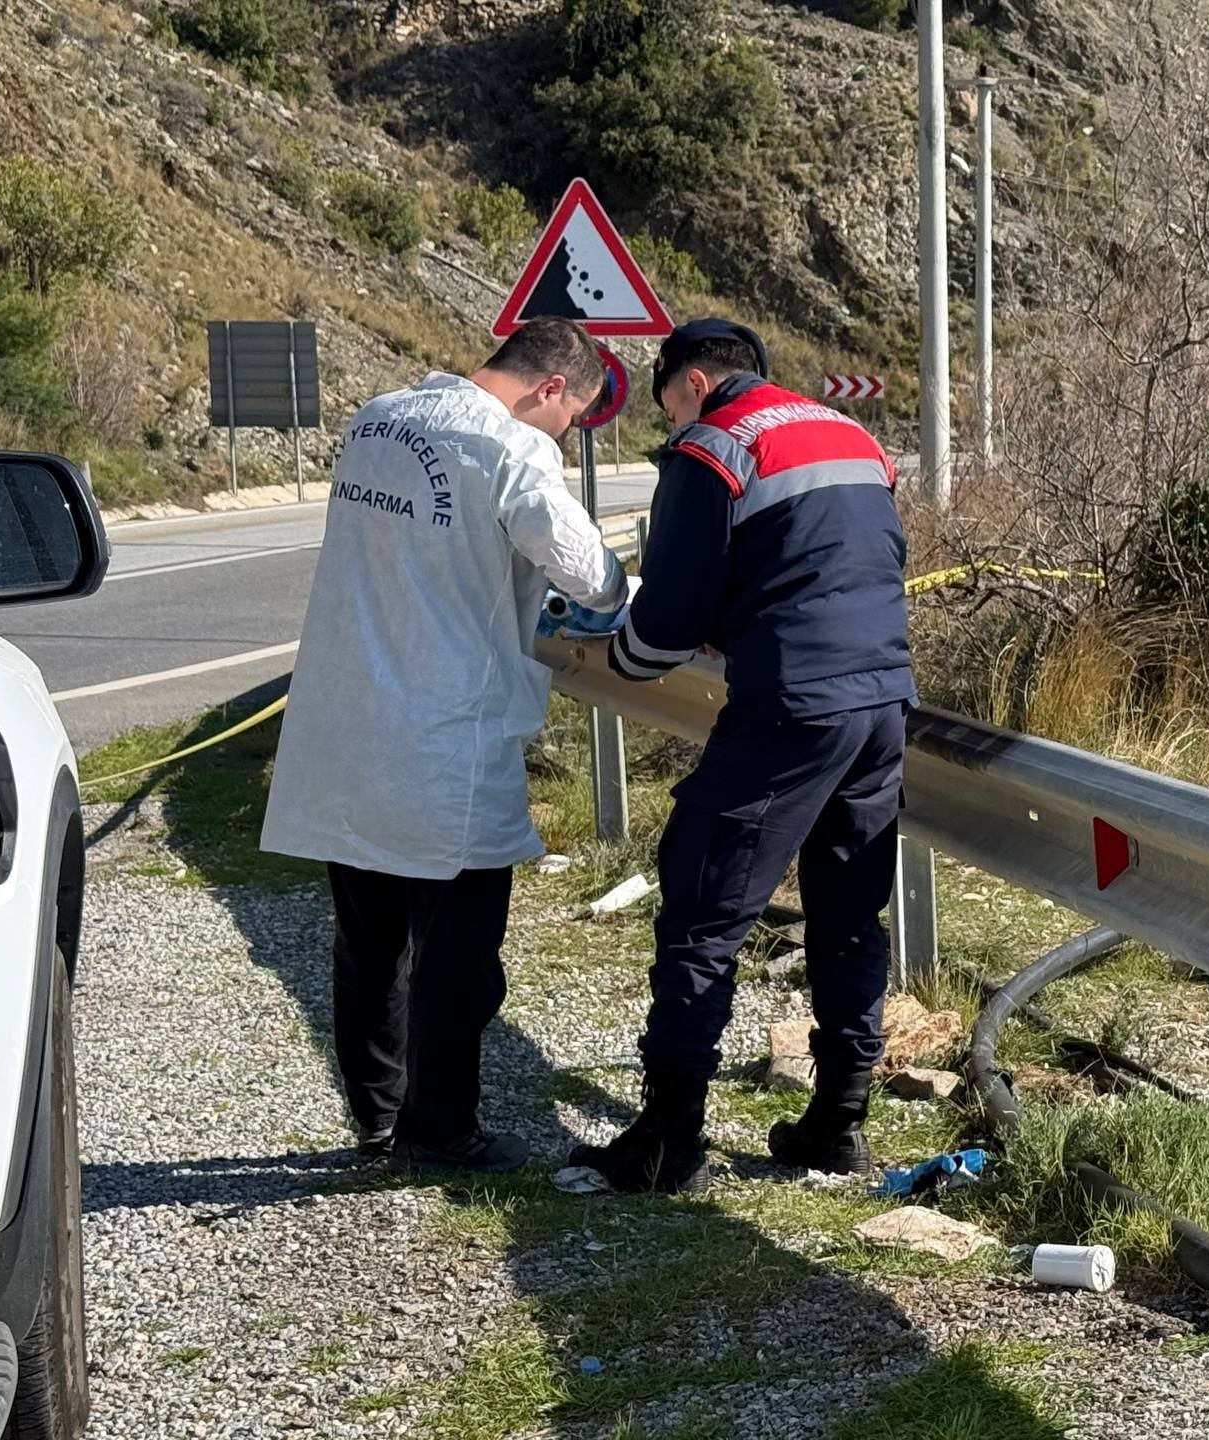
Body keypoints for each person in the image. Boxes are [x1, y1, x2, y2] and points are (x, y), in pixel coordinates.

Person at [261, 318, 627, 1173]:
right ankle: (442, 1128)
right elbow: (583, 568)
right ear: (548, 389)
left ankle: (378, 1119)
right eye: (570, 416)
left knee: (369, 944)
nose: (564, 435)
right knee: (458, 955)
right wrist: (613, 598)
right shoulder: (510, 450)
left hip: (345, 728)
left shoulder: (379, 417)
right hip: (443, 738)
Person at [570, 318, 912, 1194]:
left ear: (688, 382)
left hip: (790, 708)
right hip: (881, 702)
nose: (672, 425)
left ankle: (668, 1140)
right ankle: (839, 1123)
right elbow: (849, 561)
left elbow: (672, 611)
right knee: (846, 915)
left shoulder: (714, 449)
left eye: (667, 407)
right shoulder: (850, 433)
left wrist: (623, 654)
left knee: (704, 909)